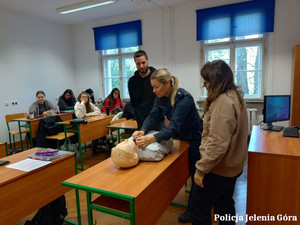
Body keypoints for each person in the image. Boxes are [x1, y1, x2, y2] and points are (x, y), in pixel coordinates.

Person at [132, 68, 203, 223]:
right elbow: (153, 116)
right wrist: (142, 130)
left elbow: (174, 126)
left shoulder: (184, 98)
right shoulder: (161, 97)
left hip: (195, 138)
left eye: (156, 87)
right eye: (153, 87)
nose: (154, 90)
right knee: (181, 168)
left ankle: (194, 211)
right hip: (182, 137)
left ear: (168, 83)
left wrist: (151, 139)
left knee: (195, 173)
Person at [190, 60, 248, 225]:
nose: (204, 85)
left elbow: (217, 144)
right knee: (224, 206)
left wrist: (201, 170)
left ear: (216, 81)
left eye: (206, 81)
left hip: (218, 169)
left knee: (198, 211)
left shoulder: (223, 103)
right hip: (232, 167)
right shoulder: (234, 96)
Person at [128, 50, 161, 129]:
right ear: (135, 63)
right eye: (138, 64)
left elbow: (162, 97)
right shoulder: (132, 81)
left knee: (160, 141)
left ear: (147, 60)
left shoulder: (157, 77)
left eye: (143, 62)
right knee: (142, 141)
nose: (141, 66)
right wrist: (137, 115)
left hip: (158, 119)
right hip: (141, 121)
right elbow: (133, 102)